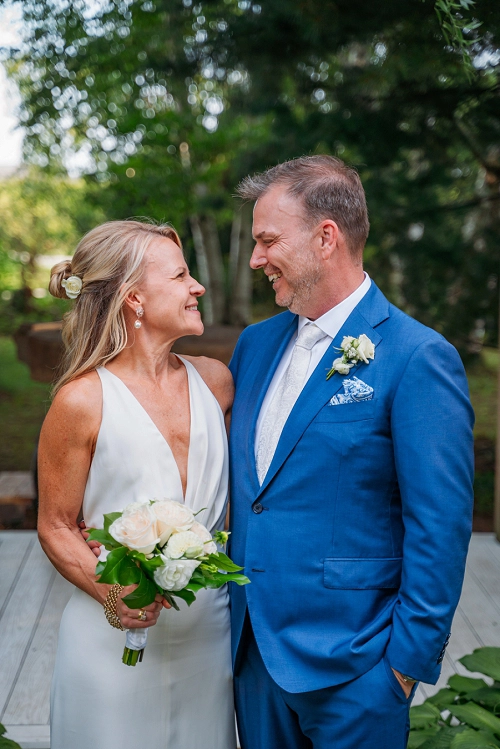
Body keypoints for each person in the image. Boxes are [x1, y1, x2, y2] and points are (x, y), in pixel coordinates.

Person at [228, 155, 474, 749]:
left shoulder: (418, 356)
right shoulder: (254, 346)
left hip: (358, 669)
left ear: (326, 237)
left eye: (267, 240)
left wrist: (401, 668)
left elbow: (439, 526)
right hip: (253, 657)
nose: (257, 258)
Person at [37, 220, 236, 749]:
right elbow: (55, 525)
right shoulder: (81, 401)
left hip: (207, 634)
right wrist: (111, 593)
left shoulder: (216, 382)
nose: (197, 287)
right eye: (181, 275)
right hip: (110, 637)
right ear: (135, 300)